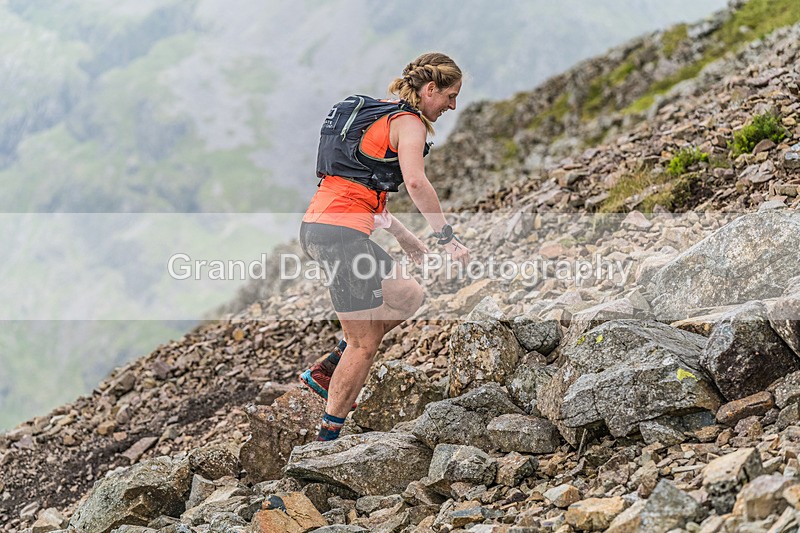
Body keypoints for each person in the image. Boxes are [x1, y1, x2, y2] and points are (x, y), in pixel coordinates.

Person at [298, 52, 470, 441]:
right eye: (450, 96)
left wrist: (406, 238)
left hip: (326, 229)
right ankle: (328, 439)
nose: (452, 106)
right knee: (365, 342)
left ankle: (327, 369)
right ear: (430, 90)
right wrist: (446, 236)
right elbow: (415, 182)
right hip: (339, 237)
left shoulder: (382, 117)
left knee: (408, 295)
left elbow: (368, 188)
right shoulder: (409, 123)